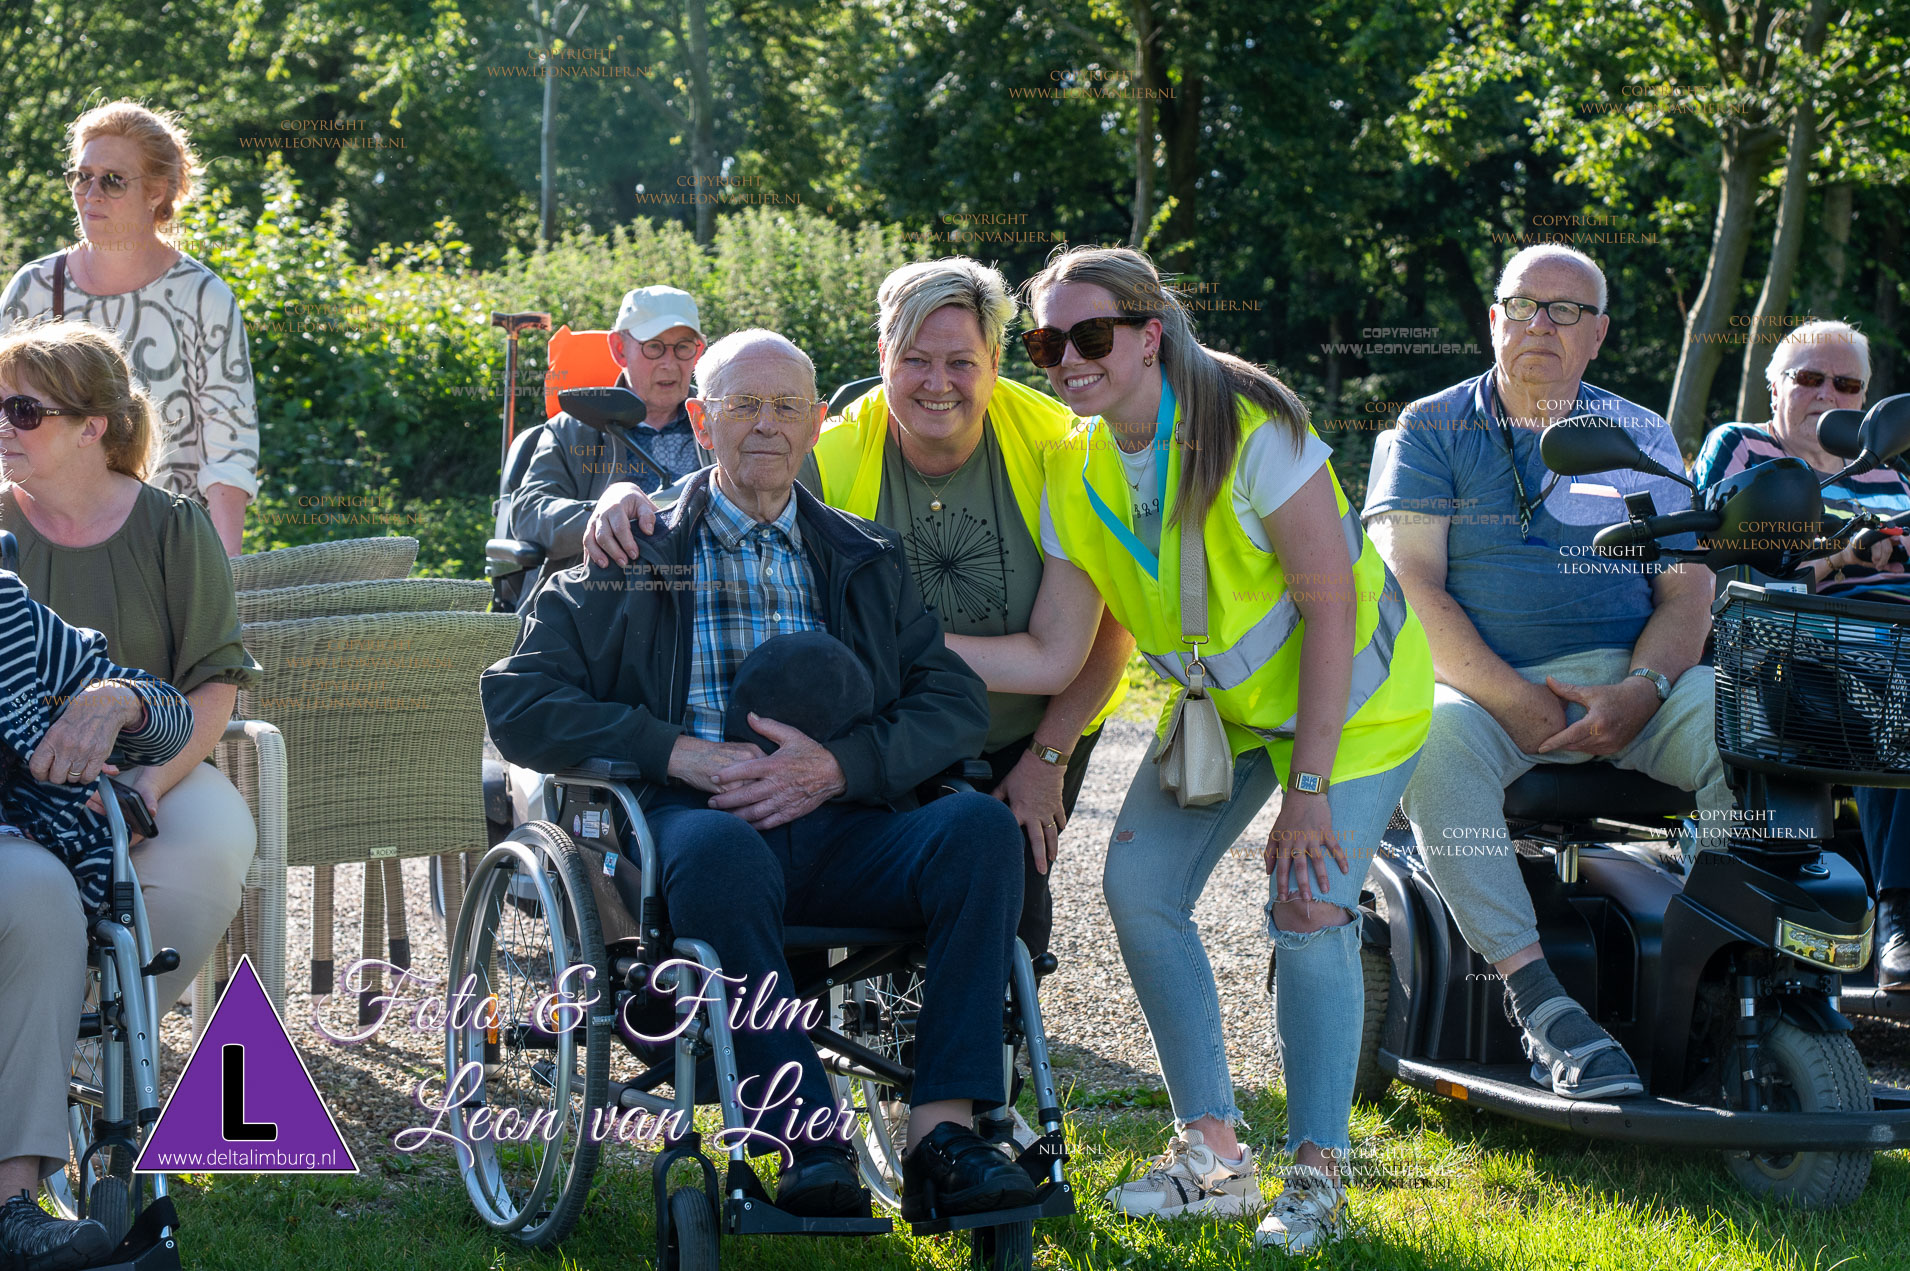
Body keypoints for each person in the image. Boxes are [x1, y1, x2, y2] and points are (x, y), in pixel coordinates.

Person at [483, 328, 1040, 1221]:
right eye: (743, 405)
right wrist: (677, 752)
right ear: (702, 422)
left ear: (818, 423)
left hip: (845, 819)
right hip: (692, 827)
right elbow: (519, 701)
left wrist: (841, 765)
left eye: (787, 406)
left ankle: (943, 1133)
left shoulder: (863, 556)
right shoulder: (634, 545)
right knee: (718, 850)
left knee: (977, 831)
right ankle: (803, 1135)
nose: (767, 426)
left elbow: (953, 704)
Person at [972, 245, 1433, 1253]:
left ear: (1147, 335)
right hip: (1221, 711)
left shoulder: (1253, 426)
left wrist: (1305, 789)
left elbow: (1326, 614)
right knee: (1137, 888)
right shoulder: (1070, 465)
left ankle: (1317, 1174)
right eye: (1048, 342)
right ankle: (1214, 1157)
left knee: (1307, 904)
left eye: (1089, 336)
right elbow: (1057, 646)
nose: (1065, 359)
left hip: (1353, 701)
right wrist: (915, 657)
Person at [579, 258, 1134, 961]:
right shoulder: (839, 447)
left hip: (1034, 723)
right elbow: (746, 467)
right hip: (893, 727)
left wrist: (1048, 756)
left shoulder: (1061, 446)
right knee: (878, 906)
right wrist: (623, 498)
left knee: (1013, 898)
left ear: (996, 362)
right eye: (914, 360)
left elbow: (1099, 634)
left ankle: (980, 1058)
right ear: (883, 358)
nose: (938, 383)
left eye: (962, 361)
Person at [1362, 244, 1732, 1102]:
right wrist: (1514, 697)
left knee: (1742, 721)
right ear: (1494, 319)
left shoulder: (1639, 433)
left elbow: (1687, 594)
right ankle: (1540, 1004)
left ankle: (1699, 967)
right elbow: (1409, 587)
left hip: (1630, 678)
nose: (1541, 324)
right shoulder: (1431, 425)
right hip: (1482, 685)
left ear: (1597, 335)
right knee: (1438, 734)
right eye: (1524, 305)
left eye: (1567, 311)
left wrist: (1644, 690)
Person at [0, 320, 261, 1024]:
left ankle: (107, 1042)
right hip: (9, 775)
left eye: (23, 411)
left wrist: (149, 784)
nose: (3, 426)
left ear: (92, 427)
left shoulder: (175, 526)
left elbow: (215, 681)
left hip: (155, 756)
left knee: (210, 848)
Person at [1693, 320, 1910, 989]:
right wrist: (1838, 558)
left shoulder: (1891, 473)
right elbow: (1713, 571)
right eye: (1809, 378)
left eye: (1847, 384)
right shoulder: (1743, 449)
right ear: (1775, 387)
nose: (1827, 395)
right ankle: (1901, 912)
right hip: (1787, 643)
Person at [0, 570, 194, 1271]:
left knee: (41, 892)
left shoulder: (8, 615)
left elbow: (171, 720)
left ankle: (10, 1210)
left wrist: (119, 702)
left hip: (9, 853)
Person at [0, 100, 257, 556]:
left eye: (113, 180)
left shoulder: (204, 298)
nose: (91, 193)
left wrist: (223, 575)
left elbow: (229, 452)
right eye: (82, 176)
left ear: (157, 191)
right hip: (43, 541)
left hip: (165, 546)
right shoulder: (34, 288)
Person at [509, 285, 710, 572]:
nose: (670, 364)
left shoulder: (720, 420)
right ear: (619, 349)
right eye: (653, 346)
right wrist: (606, 512)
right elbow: (529, 514)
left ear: (698, 352)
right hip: (605, 595)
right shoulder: (573, 427)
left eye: (683, 348)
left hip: (704, 590)